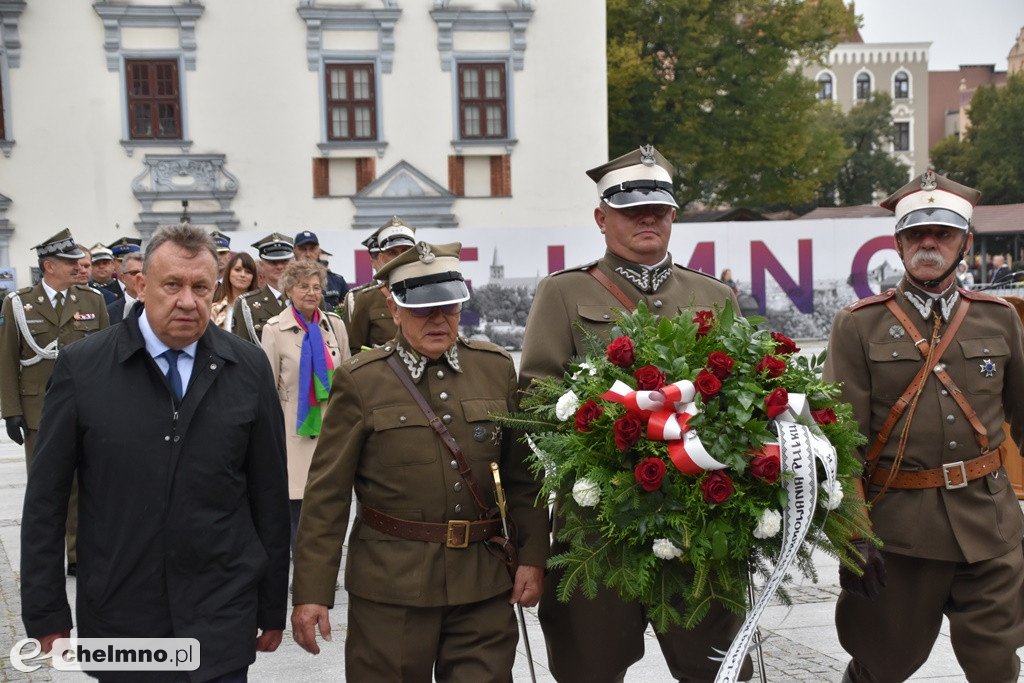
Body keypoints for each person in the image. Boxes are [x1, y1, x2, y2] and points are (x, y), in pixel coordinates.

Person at [20, 223, 290, 681]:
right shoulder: (84, 368)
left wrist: (271, 604)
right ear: (141, 285)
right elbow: (46, 500)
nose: (188, 300)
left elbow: (269, 493)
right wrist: (47, 614)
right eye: (172, 285)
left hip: (219, 610)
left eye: (201, 287)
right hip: (123, 613)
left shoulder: (247, 366)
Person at [518, 145, 747, 683]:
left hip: (699, 524)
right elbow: (535, 399)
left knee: (714, 668)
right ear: (601, 218)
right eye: (630, 209)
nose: (648, 218)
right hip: (600, 526)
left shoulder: (712, 294)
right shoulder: (564, 292)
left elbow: (745, 397)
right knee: (589, 668)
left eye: (659, 208)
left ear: (673, 215)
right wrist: (607, 423)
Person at [291, 241, 547, 681]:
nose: (438, 319)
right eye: (422, 308)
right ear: (393, 307)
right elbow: (327, 494)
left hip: (482, 583)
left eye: (448, 307)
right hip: (391, 586)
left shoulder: (494, 368)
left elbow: (524, 477)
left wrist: (532, 557)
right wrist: (312, 592)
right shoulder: (360, 380)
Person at [823, 170, 1024, 683]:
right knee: (883, 663)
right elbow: (837, 441)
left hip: (990, 522)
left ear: (965, 243)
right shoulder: (859, 324)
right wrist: (851, 533)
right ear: (898, 242)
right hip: (899, 532)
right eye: (916, 233)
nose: (928, 243)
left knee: (996, 662)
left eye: (943, 234)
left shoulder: (999, 318)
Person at [1, 229, 109, 577]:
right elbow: (6, 360)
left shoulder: (92, 301)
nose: (78, 267)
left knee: (84, 483)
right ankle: (47, 557)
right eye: (68, 262)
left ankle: (78, 554)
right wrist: (11, 411)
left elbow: (108, 357)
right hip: (39, 412)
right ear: (49, 266)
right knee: (45, 488)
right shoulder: (18, 303)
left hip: (87, 407)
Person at [260, 260, 350, 554]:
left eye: (316, 287)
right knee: (298, 508)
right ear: (288, 289)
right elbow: (267, 389)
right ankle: (302, 575)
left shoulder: (334, 325)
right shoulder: (274, 330)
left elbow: (348, 378)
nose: (311, 293)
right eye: (303, 286)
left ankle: (327, 567)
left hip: (332, 431)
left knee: (329, 504)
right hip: (293, 432)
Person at [341, 216, 416, 355]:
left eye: (406, 251)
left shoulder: (426, 290)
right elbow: (354, 350)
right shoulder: (365, 298)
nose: (400, 257)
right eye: (393, 252)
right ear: (381, 258)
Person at [232, 233, 294, 343]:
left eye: (284, 261)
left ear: (292, 262)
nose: (279, 266)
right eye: (273, 262)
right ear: (262, 265)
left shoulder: (310, 298)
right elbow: (241, 349)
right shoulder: (246, 304)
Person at [293, 231, 349, 310]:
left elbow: (348, 311)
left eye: (312, 249)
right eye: (303, 249)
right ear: (294, 251)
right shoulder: (287, 281)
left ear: (319, 251)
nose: (308, 254)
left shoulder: (337, 281)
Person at [212, 252, 259, 330]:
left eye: (248, 272)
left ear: (253, 277)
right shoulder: (214, 309)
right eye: (237, 270)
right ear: (229, 272)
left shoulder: (260, 309)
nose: (242, 275)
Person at [106, 251, 144, 325]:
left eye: (144, 272)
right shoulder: (109, 311)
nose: (140, 277)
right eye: (134, 273)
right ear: (123, 278)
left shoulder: (160, 306)